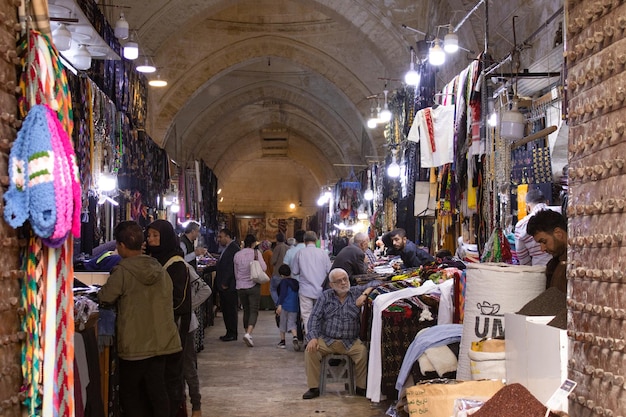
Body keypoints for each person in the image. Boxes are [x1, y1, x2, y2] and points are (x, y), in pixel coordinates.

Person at [98, 221, 182, 417]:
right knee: (157, 391)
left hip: (135, 345)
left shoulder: (123, 271)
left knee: (131, 395)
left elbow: (105, 297)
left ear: (121, 246)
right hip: (162, 342)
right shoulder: (159, 268)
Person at [302, 268, 380, 399]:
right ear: (331, 285)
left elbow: (377, 283)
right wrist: (313, 337)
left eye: (345, 279)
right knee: (310, 351)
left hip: (350, 342)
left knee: (362, 353)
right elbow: (314, 317)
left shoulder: (356, 292)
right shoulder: (325, 296)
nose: (344, 283)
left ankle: (361, 387)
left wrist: (364, 294)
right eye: (339, 281)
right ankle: (313, 387)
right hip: (327, 340)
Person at [145, 219, 191, 417]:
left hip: (174, 326)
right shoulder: (154, 259)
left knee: (171, 372)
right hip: (160, 327)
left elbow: (178, 300)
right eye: (149, 236)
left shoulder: (176, 263)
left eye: (156, 236)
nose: (151, 240)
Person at [292, 231, 331, 334]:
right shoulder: (323, 253)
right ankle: (319, 339)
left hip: (305, 290)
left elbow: (295, 271)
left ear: (304, 241)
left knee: (306, 316)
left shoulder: (300, 253)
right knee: (320, 315)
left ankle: (310, 339)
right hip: (321, 290)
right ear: (316, 240)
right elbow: (329, 271)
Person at [233, 234, 267, 347]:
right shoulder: (256, 253)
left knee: (246, 310)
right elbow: (264, 268)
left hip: (240, 286)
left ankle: (246, 332)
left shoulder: (237, 255)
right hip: (253, 285)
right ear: (253, 243)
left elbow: (236, 272)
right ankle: (248, 334)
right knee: (253, 310)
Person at [526, 209, 568, 293]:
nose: (542, 249)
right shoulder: (553, 265)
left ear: (558, 233)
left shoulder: (577, 263)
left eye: (544, 242)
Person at [514, 188, 552, 266]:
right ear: (547, 202)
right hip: (562, 267)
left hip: (538, 269)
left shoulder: (521, 226)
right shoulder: (561, 212)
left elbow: (523, 259)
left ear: (528, 207)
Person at [214, 228, 240, 341]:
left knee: (230, 310)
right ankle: (229, 331)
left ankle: (232, 333)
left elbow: (230, 268)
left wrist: (225, 282)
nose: (219, 239)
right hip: (225, 285)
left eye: (221, 237)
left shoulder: (233, 249)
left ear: (228, 237)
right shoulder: (227, 249)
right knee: (226, 309)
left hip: (229, 286)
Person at [275, 264, 300, 351]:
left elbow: (283, 294)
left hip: (285, 306)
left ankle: (282, 341)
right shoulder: (296, 282)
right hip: (294, 306)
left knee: (282, 323)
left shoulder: (283, 282)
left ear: (281, 275)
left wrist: (280, 305)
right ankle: (295, 337)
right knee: (292, 323)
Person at [270, 233, 289, 304]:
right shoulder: (288, 247)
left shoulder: (277, 247)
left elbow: (273, 261)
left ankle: (278, 304)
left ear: (277, 239)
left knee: (273, 289)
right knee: (284, 291)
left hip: (277, 273)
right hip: (287, 274)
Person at [259, 239, 275, 310]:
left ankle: (264, 305)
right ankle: (269, 305)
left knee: (264, 290)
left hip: (264, 275)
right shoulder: (269, 253)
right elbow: (272, 265)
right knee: (268, 290)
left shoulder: (263, 253)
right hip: (268, 275)